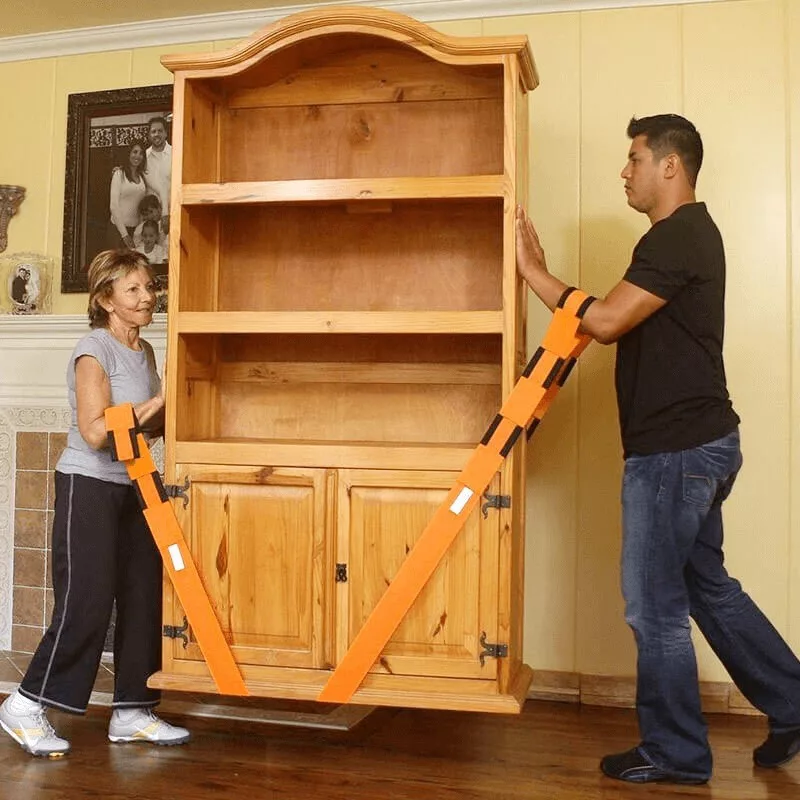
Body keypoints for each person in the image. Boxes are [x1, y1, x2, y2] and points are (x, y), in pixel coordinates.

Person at [515, 113, 800, 785]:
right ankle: (793, 701)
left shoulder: (678, 235)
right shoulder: (685, 237)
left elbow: (608, 320)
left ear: (670, 166)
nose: (624, 171)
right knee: (707, 588)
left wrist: (535, 273)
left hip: (676, 453)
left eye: (635, 159)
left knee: (655, 605)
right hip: (701, 444)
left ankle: (676, 752)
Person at [0, 249, 189, 757]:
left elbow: (148, 426)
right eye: (134, 289)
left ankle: (132, 710)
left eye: (150, 287)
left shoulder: (144, 352)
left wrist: (177, 401)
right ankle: (25, 704)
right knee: (87, 599)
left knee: (142, 594)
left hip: (136, 483)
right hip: (89, 485)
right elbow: (96, 431)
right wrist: (159, 400)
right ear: (106, 299)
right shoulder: (93, 350)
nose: (147, 297)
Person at [109, 142, 147, 250]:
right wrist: (124, 234)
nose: (138, 156)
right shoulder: (119, 174)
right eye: (135, 152)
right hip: (118, 231)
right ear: (128, 154)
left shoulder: (142, 176)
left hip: (135, 231)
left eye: (141, 153)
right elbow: (113, 206)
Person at [144, 117, 171, 236]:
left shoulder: (176, 153)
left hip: (173, 212)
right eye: (153, 131)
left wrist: (166, 213)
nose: (157, 134)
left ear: (166, 133)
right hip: (150, 219)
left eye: (160, 131)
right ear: (149, 135)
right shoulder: (143, 157)